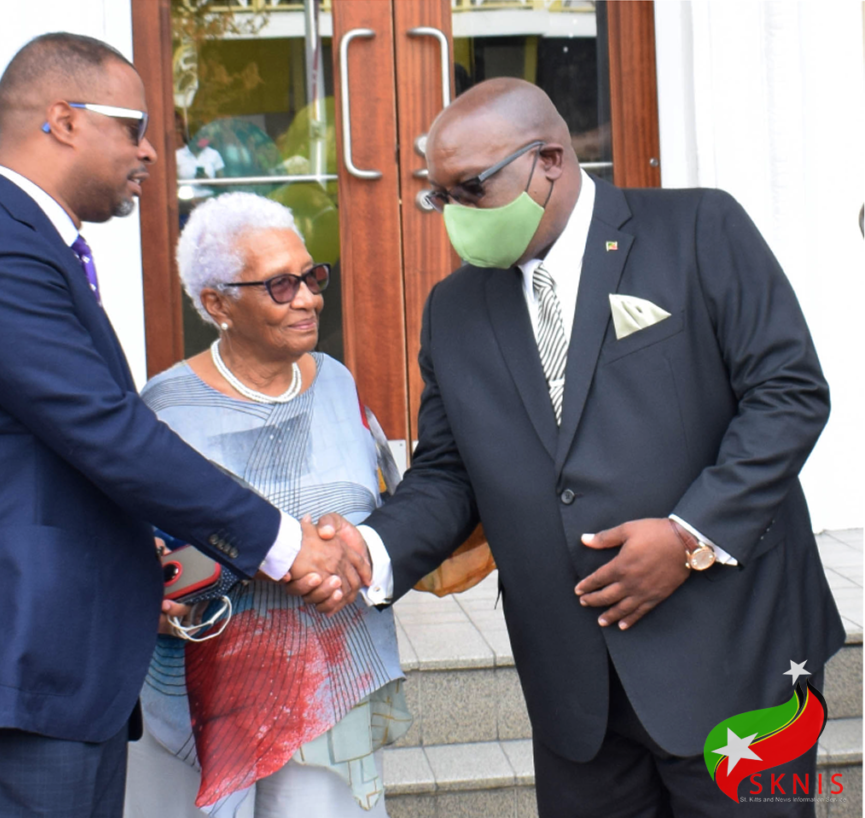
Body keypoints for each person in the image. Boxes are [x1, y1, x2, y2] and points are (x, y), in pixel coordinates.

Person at [298, 78, 845, 816]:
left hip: (730, 656)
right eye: (440, 196)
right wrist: (369, 549)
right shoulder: (455, 309)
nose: (455, 216)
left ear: (549, 161)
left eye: (472, 190)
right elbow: (449, 474)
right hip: (575, 691)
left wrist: (690, 536)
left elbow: (788, 394)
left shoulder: (698, 228)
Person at [0, 32, 368, 818]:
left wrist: (154, 557)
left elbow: (61, 456)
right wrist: (285, 543)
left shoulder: (27, 246)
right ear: (65, 120)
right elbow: (108, 434)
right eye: (134, 128)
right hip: (12, 672)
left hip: (55, 672)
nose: (149, 153)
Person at [124, 192, 410, 818]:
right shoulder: (166, 409)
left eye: (312, 277)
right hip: (207, 692)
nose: (308, 298)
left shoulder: (336, 381)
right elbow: (133, 550)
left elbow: (380, 501)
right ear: (217, 304)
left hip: (329, 678)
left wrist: (351, 553)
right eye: (281, 285)